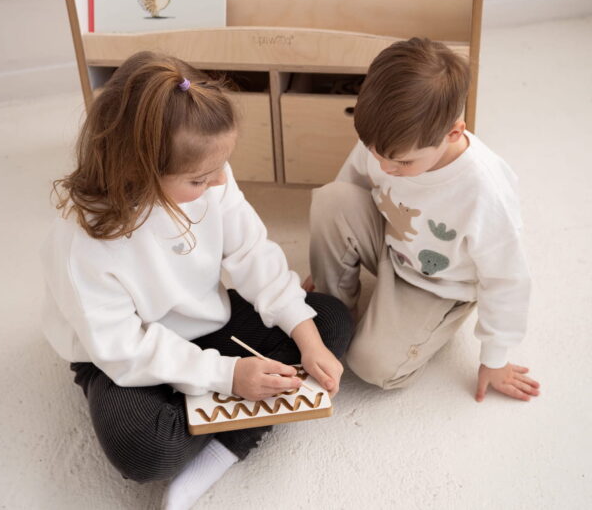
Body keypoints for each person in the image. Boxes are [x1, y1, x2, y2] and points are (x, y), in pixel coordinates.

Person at [42, 51, 353, 509]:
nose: (220, 181)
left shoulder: (213, 178)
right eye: (200, 179)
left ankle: (223, 448)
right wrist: (226, 374)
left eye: (221, 168)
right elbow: (122, 348)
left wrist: (306, 337)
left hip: (208, 323)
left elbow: (252, 254)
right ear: (138, 169)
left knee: (330, 322)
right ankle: (214, 413)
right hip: (122, 358)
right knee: (146, 452)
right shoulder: (81, 244)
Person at [303, 37, 540, 403]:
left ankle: (421, 322)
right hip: (392, 241)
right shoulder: (387, 140)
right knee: (331, 199)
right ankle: (337, 306)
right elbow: (350, 187)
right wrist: (328, 261)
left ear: (454, 133)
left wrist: (495, 357)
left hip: (439, 284)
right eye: (375, 153)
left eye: (402, 163)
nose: (383, 167)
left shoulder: (484, 191)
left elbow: (506, 278)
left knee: (372, 366)